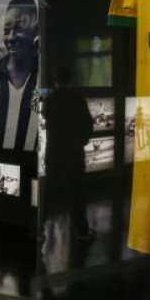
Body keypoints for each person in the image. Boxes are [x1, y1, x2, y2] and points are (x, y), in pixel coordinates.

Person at [0, 0, 39, 150]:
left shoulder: (45, 74)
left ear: (35, 31)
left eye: (19, 29)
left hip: (28, 165)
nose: (10, 37)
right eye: (6, 30)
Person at [42, 67, 95, 240]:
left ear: (55, 80)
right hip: (74, 152)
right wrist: (82, 141)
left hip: (54, 151)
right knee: (77, 192)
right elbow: (88, 123)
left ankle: (39, 229)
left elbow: (42, 115)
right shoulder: (78, 98)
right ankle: (82, 230)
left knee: (48, 192)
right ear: (70, 80)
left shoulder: (50, 100)